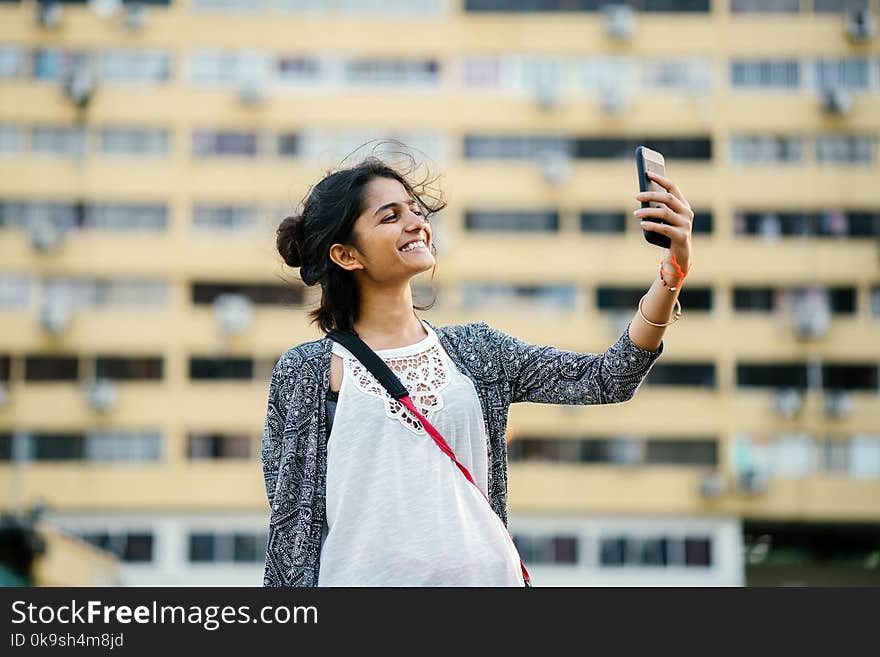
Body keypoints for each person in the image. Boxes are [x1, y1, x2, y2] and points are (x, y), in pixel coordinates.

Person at [262, 151, 694, 587]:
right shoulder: (308, 372)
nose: (416, 223)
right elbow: (290, 533)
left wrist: (672, 275)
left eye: (414, 209)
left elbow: (606, 379)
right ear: (346, 255)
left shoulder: (477, 350)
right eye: (390, 217)